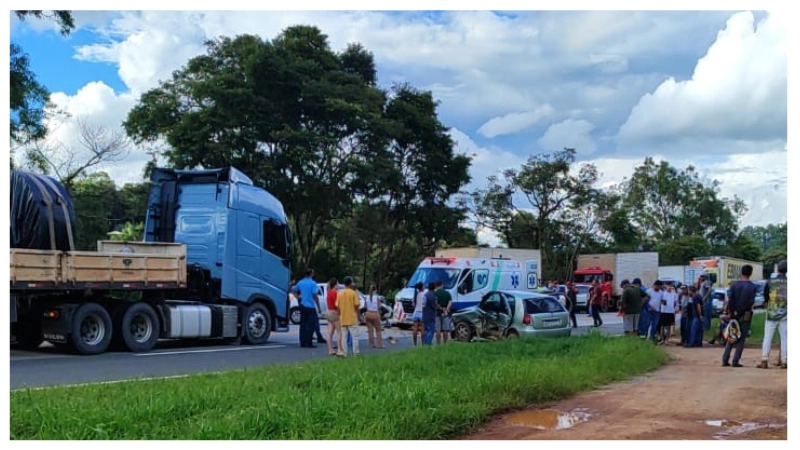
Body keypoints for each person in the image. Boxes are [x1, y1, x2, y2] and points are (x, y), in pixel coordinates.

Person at [721, 265, 757, 367]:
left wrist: (730, 312)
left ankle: (725, 359)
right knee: (741, 339)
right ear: (750, 274)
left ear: (741, 272)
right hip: (745, 315)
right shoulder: (752, 287)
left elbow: (730, 300)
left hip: (733, 314)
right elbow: (751, 302)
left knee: (731, 337)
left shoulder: (734, 285)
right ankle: (735, 361)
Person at [758, 259, 787, 369]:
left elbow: (766, 296)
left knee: (767, 337)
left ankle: (764, 360)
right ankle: (785, 361)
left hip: (771, 314)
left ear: (778, 269)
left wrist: (767, 303)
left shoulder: (770, 281)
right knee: (785, 338)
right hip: (785, 314)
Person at [293, 269, 322, 348]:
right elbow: (315, 295)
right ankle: (309, 342)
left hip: (302, 304)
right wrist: (318, 307)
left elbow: (294, 289)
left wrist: (298, 297)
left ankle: (302, 342)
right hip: (310, 306)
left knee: (303, 324)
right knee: (311, 325)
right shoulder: (313, 283)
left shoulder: (301, 282)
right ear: (311, 274)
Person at [336, 276, 361, 357]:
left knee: (344, 336)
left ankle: (345, 353)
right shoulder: (353, 293)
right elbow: (357, 305)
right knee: (355, 337)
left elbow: (337, 306)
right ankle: (356, 353)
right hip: (352, 317)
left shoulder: (339, 293)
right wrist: (358, 315)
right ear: (350, 283)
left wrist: (340, 313)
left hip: (343, 318)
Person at [324, 278, 344, 357]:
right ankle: (339, 349)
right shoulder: (335, 293)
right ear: (335, 284)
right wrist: (340, 311)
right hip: (335, 313)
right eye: (337, 284)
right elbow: (337, 304)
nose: (338, 286)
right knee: (340, 332)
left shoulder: (328, 293)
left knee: (330, 332)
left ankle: (330, 349)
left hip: (329, 312)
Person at [364, 285, 384, 349]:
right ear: (375, 290)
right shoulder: (377, 297)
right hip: (375, 314)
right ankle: (379, 344)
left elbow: (365, 306)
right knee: (378, 330)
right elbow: (379, 307)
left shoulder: (366, 297)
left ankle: (371, 344)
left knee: (370, 330)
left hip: (368, 314)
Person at [411, 282, 425, 346]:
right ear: (422, 287)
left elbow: (413, 305)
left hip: (416, 312)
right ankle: (422, 344)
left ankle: (415, 344)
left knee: (415, 329)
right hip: (422, 313)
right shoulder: (424, 295)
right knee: (422, 329)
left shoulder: (415, 295)